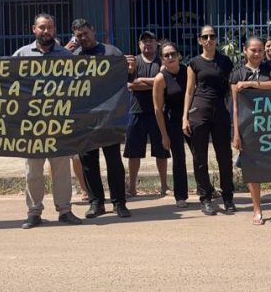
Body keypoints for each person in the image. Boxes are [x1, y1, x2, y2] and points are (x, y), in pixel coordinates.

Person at [0, 13, 82, 229]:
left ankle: (65, 210)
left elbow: (78, 84)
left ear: (55, 30)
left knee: (62, 168)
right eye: (42, 27)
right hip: (30, 124)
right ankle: (34, 212)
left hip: (57, 121)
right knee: (33, 171)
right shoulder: (22, 54)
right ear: (33, 29)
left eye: (50, 27)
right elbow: (6, 80)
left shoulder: (65, 55)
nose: (46, 31)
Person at [67, 18, 132, 219]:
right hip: (84, 119)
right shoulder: (73, 57)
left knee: (113, 161)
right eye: (79, 35)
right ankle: (96, 203)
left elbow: (126, 81)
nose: (83, 38)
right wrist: (65, 54)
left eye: (86, 33)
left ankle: (119, 203)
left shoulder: (112, 53)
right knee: (88, 163)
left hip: (110, 118)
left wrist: (129, 70)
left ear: (93, 30)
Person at [231, 37, 271, 225]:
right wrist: (236, 133)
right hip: (248, 128)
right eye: (253, 50)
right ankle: (257, 210)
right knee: (253, 171)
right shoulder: (237, 74)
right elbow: (235, 107)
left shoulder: (270, 68)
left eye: (260, 50)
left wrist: (252, 84)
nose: (257, 53)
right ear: (245, 51)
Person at [182, 25, 234, 216]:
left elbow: (231, 88)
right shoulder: (194, 63)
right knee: (200, 157)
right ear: (200, 40)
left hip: (220, 110)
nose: (209, 39)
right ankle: (205, 199)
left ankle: (228, 197)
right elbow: (189, 91)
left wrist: (230, 110)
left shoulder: (225, 61)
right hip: (199, 110)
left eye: (212, 36)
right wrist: (184, 117)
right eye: (205, 36)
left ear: (216, 39)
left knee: (224, 156)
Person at [125, 30, 171, 197]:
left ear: (155, 43)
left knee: (161, 151)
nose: (147, 44)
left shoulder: (162, 60)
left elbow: (164, 82)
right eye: (144, 41)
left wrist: (140, 81)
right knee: (133, 152)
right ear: (139, 44)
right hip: (136, 111)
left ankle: (164, 186)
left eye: (150, 40)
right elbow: (130, 85)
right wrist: (154, 83)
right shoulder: (134, 61)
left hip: (158, 112)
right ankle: (131, 188)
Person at [152, 41, 191, 209]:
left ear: (178, 55)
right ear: (162, 59)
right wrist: (164, 135)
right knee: (179, 159)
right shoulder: (161, 79)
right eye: (166, 55)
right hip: (172, 122)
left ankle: (206, 191)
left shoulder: (188, 71)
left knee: (198, 155)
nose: (170, 57)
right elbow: (157, 109)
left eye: (172, 54)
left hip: (191, 118)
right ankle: (180, 196)